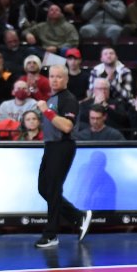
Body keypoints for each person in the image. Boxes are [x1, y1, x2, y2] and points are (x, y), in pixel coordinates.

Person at [34, 64, 93, 248]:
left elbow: (67, 126)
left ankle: (51, 234)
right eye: (52, 76)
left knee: (52, 189)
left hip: (62, 146)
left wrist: (46, 111)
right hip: (51, 146)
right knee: (44, 188)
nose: (54, 79)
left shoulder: (68, 99)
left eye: (59, 76)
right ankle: (78, 217)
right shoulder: (53, 98)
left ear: (66, 79)